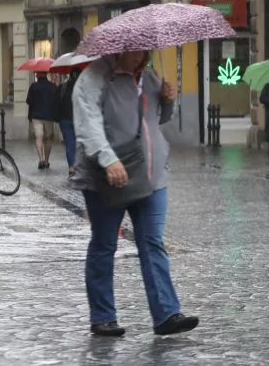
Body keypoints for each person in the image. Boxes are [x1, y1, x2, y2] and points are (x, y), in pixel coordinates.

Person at [71, 51, 198, 337]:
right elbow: (87, 124)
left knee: (152, 241)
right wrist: (108, 159)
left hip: (151, 176)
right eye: (133, 50)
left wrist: (168, 100)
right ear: (117, 48)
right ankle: (103, 316)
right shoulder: (94, 78)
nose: (139, 55)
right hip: (107, 176)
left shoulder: (149, 77)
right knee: (105, 244)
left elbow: (159, 119)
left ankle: (166, 313)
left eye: (143, 50)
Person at [26, 71, 58, 170]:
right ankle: (47, 161)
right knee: (47, 139)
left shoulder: (33, 86)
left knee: (39, 138)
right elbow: (56, 101)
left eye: (37, 73)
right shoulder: (53, 86)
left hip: (36, 116)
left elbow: (28, 101)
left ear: (39, 75)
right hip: (48, 116)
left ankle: (41, 160)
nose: (35, 75)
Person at [58, 68, 81, 177]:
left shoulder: (62, 87)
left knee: (69, 145)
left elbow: (57, 102)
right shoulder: (82, 87)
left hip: (65, 120)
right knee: (79, 144)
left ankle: (72, 168)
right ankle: (79, 168)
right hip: (79, 120)